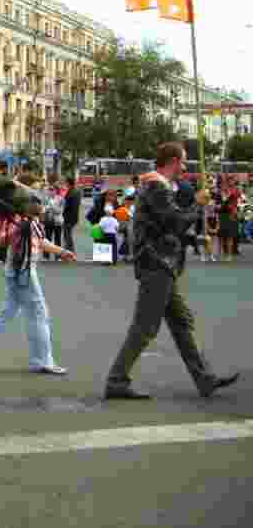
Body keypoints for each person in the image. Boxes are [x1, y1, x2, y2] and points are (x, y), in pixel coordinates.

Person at [104, 142, 240, 400]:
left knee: (181, 322)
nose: (185, 167)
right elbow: (175, 222)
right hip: (157, 263)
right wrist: (197, 204)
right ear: (174, 161)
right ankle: (116, 380)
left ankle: (204, 378)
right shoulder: (156, 186)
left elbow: (164, 225)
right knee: (145, 326)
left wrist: (192, 234)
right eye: (183, 161)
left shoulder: (155, 185)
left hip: (160, 262)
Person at [0, 180, 76, 374]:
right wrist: (61, 252)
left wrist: (61, 252)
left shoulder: (21, 221)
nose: (42, 207)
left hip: (15, 269)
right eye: (38, 204)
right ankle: (42, 360)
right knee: (39, 314)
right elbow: (25, 241)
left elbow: (36, 241)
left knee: (7, 312)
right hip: (24, 270)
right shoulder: (26, 222)